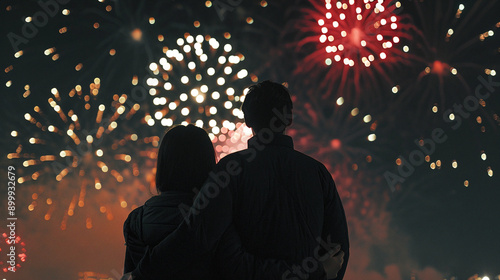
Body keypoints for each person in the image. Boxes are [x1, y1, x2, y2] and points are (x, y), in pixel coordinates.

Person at [124, 81, 349, 279]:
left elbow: (198, 238)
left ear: (247, 119)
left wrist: (141, 273)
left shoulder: (229, 172)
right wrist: (316, 274)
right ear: (289, 118)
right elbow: (338, 253)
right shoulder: (318, 173)